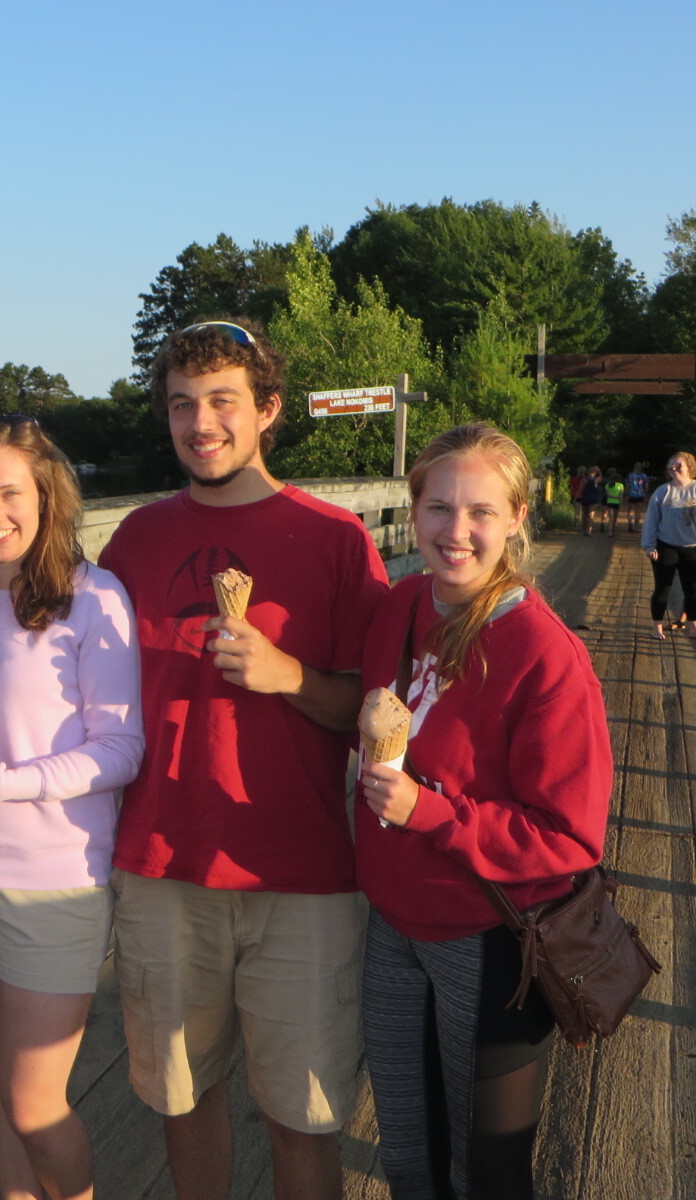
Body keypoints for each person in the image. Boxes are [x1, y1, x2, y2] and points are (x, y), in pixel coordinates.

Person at [98, 320, 390, 1200]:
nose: (201, 423)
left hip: (300, 875)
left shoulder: (335, 537)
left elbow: (375, 713)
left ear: (267, 411)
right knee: (184, 1102)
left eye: (223, 401)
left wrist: (288, 674)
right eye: (183, 404)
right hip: (162, 868)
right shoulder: (133, 543)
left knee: (303, 1115)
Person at [356, 424, 611, 1199]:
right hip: (393, 923)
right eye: (438, 508)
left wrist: (430, 813)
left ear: (517, 517)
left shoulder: (544, 653)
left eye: (480, 512)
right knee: (407, 1152)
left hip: (493, 937)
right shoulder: (401, 604)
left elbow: (570, 836)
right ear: (414, 511)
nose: (456, 532)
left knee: (488, 1170)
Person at [0, 416, 144, 1200]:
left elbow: (121, 751)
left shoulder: (95, 600)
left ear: (47, 497)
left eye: (10, 492)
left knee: (33, 1097)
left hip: (52, 882)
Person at [641, 451, 696, 639]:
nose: (673, 469)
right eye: (671, 466)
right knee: (663, 588)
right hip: (667, 546)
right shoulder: (663, 492)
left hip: (693, 548)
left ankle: (693, 625)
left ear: (690, 467)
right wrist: (649, 546)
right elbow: (651, 521)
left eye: (678, 465)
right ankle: (657, 626)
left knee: (693, 590)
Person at [625, 462, 650, 532]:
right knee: (638, 511)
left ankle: (630, 524)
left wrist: (626, 494)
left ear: (634, 467)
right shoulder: (644, 476)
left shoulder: (630, 475)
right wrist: (646, 494)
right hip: (640, 494)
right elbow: (646, 486)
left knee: (630, 510)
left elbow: (627, 485)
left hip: (631, 494)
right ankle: (636, 527)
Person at [579, 467, 604, 536]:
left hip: (585, 497)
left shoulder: (584, 479)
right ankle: (589, 530)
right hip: (594, 498)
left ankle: (584, 529)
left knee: (585, 515)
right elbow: (601, 478)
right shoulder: (596, 479)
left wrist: (577, 497)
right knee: (591, 514)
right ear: (595, 472)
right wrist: (599, 471)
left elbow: (581, 489)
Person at [604, 469, 624, 537]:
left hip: (609, 502)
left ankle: (609, 532)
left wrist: (613, 497)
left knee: (610, 518)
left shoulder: (608, 485)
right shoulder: (621, 485)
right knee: (615, 518)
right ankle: (613, 530)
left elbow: (608, 495)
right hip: (617, 503)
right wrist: (620, 503)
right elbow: (621, 496)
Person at [568, 466, 587, 533]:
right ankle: (583, 525)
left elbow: (572, 488)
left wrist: (571, 496)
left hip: (576, 496)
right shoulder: (586, 479)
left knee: (577, 512)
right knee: (584, 512)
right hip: (584, 496)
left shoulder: (574, 479)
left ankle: (576, 525)